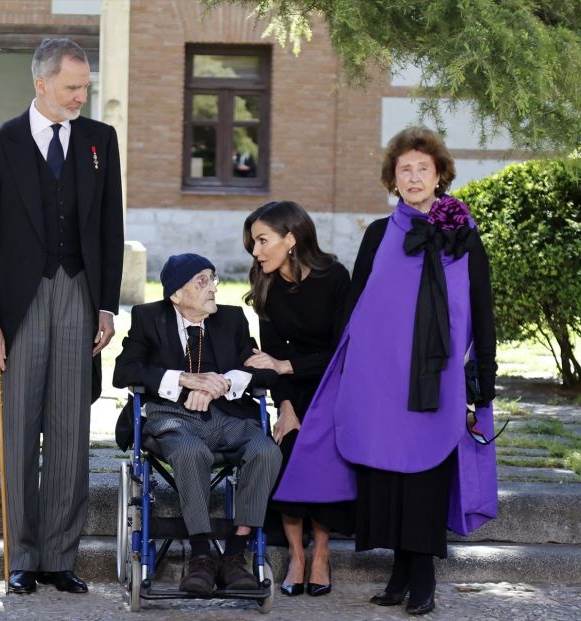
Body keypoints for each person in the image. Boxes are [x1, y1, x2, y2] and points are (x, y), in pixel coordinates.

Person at [273, 127, 498, 615]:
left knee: (427, 470)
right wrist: (342, 369)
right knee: (388, 471)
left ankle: (423, 575)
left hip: (436, 375)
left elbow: (481, 305)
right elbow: (355, 307)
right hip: (379, 375)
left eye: (423, 169)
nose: (414, 177)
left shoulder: (463, 234)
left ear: (439, 176)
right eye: (404, 170)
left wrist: (486, 373)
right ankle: (399, 572)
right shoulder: (378, 234)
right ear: (393, 180)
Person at [0, 38, 124, 595]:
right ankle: (21, 557)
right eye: (72, 87)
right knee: (17, 428)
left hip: (78, 293)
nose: (81, 97)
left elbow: (110, 228)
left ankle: (59, 557)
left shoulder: (101, 140)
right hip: (18, 306)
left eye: (85, 87)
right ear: (41, 83)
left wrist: (106, 305)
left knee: (69, 430)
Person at [112, 254, 282, 596]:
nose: (213, 288)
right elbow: (124, 371)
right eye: (201, 281)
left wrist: (222, 382)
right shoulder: (149, 318)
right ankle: (201, 556)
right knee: (191, 452)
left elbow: (262, 369)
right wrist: (185, 379)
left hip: (227, 417)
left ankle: (235, 555)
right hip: (172, 418)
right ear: (176, 294)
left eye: (213, 279)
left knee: (266, 452)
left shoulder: (231, 319)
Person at [242, 200, 355, 597]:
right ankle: (296, 555)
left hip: (334, 384)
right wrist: (286, 408)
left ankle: (321, 553)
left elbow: (344, 350)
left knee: (321, 456)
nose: (256, 252)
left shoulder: (335, 278)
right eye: (253, 243)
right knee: (288, 447)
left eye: (262, 241)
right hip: (291, 390)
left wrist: (286, 365)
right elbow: (269, 359)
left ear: (290, 239)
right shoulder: (267, 285)